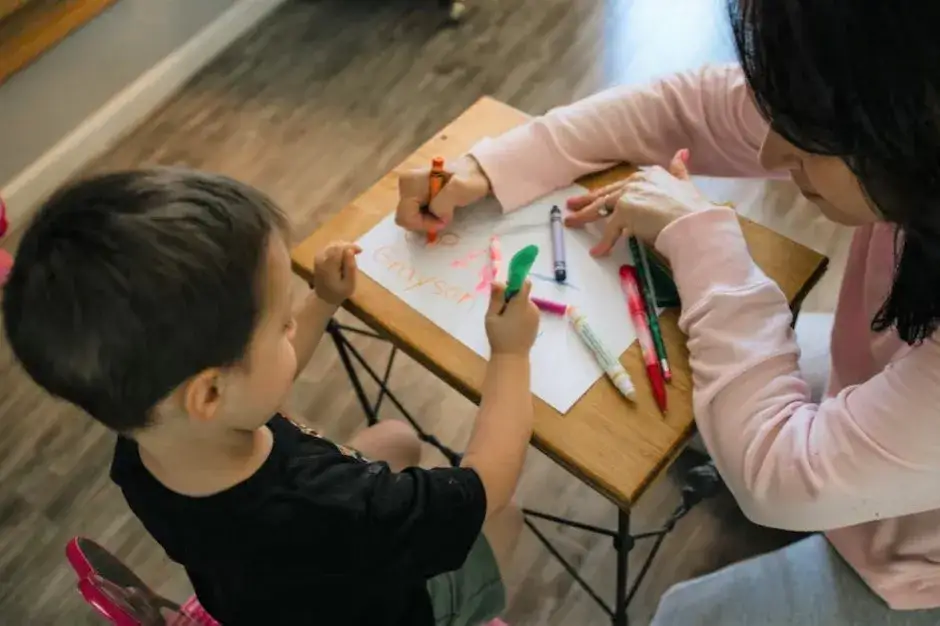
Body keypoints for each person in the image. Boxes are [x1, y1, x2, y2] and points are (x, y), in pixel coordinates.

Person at [394, 1, 940, 623]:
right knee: (698, 405)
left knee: (684, 611)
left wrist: (703, 240)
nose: (768, 156)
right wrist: (487, 166)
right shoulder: (895, 109)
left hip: (920, 564)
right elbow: (689, 108)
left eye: (807, 134)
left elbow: (782, 477)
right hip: (887, 393)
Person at [1, 168, 540, 626]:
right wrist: (512, 354)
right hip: (388, 608)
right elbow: (486, 485)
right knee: (506, 517)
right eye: (283, 324)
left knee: (396, 438)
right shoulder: (336, 508)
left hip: (268, 598)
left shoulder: (145, 444)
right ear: (209, 392)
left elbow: (253, 387)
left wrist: (322, 300)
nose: (293, 328)